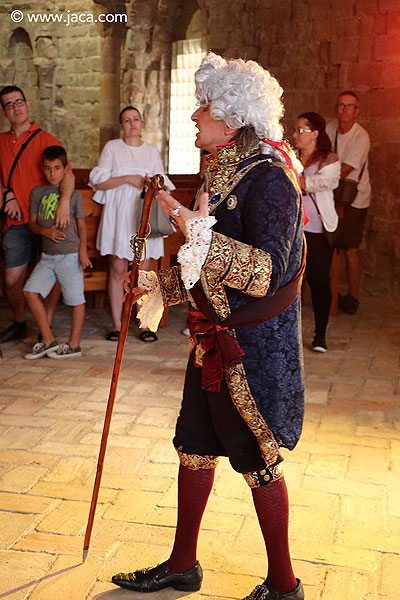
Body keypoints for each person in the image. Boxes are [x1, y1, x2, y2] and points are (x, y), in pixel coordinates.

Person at [112, 53, 306, 600]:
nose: (195, 117)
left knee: (257, 463)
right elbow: (202, 265)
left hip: (252, 350)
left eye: (203, 108)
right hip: (211, 341)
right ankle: (182, 565)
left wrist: (191, 227)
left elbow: (266, 271)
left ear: (230, 116)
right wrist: (158, 291)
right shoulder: (226, 169)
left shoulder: (270, 179)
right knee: (193, 445)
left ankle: (285, 584)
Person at [89, 106, 175, 343]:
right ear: (121, 126)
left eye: (135, 119)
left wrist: (151, 183)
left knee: (143, 272)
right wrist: (126, 178)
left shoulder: (150, 151)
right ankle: (118, 324)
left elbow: (163, 182)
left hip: (141, 213)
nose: (132, 123)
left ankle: (145, 324)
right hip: (118, 213)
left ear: (141, 123)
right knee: (118, 269)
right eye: (126, 120)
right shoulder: (113, 148)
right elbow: (98, 181)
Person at [0, 85, 74, 343]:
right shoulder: (0, 141)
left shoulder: (46, 139)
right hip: (18, 220)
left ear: (28, 105)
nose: (15, 108)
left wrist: (64, 202)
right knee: (12, 278)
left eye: (18, 102)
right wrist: (5, 193)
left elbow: (68, 174)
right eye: (9, 105)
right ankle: (20, 322)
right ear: (4, 112)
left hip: (48, 218)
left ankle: (47, 324)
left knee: (56, 270)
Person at [23, 146, 91, 359]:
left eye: (57, 168)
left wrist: (83, 252)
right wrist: (45, 230)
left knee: (76, 300)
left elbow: (82, 227)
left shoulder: (74, 195)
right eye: (48, 169)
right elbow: (32, 224)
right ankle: (48, 339)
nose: (52, 173)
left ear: (65, 169)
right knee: (30, 291)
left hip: (69, 255)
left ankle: (74, 345)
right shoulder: (37, 193)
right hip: (47, 257)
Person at [293, 112, 340, 353]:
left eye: (301, 130)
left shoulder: (329, 159)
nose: (295, 135)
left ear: (315, 133)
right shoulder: (291, 158)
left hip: (318, 230)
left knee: (320, 281)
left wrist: (296, 181)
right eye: (295, 130)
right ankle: (290, 336)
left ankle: (320, 335)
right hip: (293, 229)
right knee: (291, 284)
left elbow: (326, 183)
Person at [326, 91, 371, 314]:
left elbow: (345, 170)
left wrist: (321, 175)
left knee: (350, 248)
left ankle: (353, 298)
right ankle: (329, 293)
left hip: (355, 197)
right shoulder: (330, 128)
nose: (345, 110)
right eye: (341, 105)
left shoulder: (361, 137)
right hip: (331, 193)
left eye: (350, 106)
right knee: (327, 245)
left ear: (357, 111)